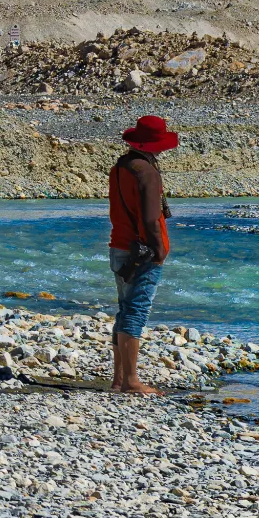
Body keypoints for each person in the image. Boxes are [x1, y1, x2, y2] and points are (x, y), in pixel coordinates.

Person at [106, 113, 178, 394]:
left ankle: (119, 379)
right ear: (151, 145)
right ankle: (132, 381)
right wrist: (159, 251)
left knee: (124, 311)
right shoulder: (146, 171)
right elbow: (150, 218)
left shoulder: (121, 165)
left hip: (119, 246)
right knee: (136, 313)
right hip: (142, 252)